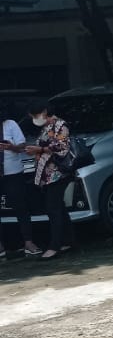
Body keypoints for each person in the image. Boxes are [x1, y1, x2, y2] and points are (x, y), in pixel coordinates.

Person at [24, 99, 74, 259]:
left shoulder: (60, 125)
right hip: (48, 174)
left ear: (44, 112)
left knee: (53, 209)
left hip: (58, 173)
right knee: (58, 207)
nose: (34, 118)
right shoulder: (47, 127)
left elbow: (62, 147)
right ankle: (68, 241)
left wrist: (40, 149)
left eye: (35, 115)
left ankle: (55, 245)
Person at [1, 108, 39, 258]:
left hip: (12, 173)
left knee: (21, 208)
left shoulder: (10, 124)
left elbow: (23, 146)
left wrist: (10, 147)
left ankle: (28, 242)